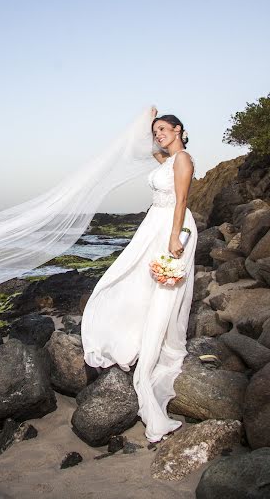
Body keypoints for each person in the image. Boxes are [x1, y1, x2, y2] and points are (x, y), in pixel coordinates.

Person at [81, 108, 198, 443]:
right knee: (132, 278)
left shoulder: (183, 160)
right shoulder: (165, 159)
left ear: (179, 130)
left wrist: (175, 237)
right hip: (153, 227)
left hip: (172, 227)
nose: (158, 134)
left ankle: (152, 354)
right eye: (155, 130)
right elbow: (151, 148)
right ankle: (131, 331)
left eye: (163, 129)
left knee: (164, 291)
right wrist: (146, 120)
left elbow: (182, 200)